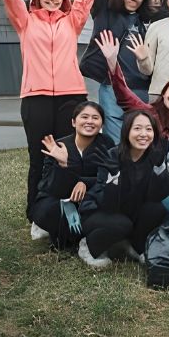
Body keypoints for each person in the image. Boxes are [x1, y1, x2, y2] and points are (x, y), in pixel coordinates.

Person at [0, 0, 120, 219]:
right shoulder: (25, 22)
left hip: (72, 97)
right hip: (36, 99)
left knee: (71, 155)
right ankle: (37, 212)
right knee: (40, 156)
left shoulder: (72, 21)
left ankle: (74, 207)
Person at [95, 30, 169, 196]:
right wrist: (112, 62)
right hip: (143, 183)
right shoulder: (148, 112)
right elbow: (123, 93)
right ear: (164, 94)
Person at [79, 0, 154, 142]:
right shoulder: (105, 12)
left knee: (138, 140)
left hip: (140, 88)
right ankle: (115, 175)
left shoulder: (144, 21)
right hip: (113, 87)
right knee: (115, 141)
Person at [78, 109, 169, 269]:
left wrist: (160, 168)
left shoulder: (153, 157)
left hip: (130, 209)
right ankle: (89, 245)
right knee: (122, 224)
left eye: (149, 129)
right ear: (126, 131)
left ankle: (135, 245)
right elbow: (106, 204)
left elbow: (157, 196)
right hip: (100, 212)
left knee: (157, 209)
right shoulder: (112, 156)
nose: (143, 134)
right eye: (137, 128)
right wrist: (113, 179)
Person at [30, 102, 114, 246]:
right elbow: (48, 186)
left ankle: (74, 233)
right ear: (74, 122)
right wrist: (62, 165)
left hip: (91, 197)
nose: (89, 121)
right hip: (59, 197)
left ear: (102, 124)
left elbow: (110, 177)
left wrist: (85, 182)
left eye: (95, 118)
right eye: (84, 117)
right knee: (48, 211)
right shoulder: (59, 146)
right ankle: (57, 230)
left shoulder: (106, 144)